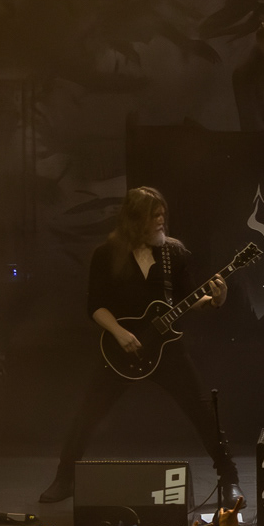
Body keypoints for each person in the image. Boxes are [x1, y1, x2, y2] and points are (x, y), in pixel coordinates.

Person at [39, 186, 239, 503]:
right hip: (121, 349)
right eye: (153, 215)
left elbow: (190, 298)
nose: (161, 220)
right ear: (135, 220)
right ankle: (64, 480)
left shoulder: (174, 252)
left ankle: (230, 480)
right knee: (87, 416)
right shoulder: (107, 254)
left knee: (203, 413)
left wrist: (216, 300)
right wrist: (119, 332)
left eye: (162, 214)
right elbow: (95, 305)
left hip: (167, 349)